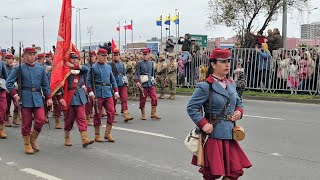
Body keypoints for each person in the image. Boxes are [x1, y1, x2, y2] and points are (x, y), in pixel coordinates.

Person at [187, 48, 251, 180]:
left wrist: (239, 111)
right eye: (223, 61)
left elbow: (239, 102)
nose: (227, 64)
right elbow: (192, 107)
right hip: (214, 134)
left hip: (229, 133)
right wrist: (203, 124)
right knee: (212, 173)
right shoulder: (205, 86)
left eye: (228, 61)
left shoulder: (231, 83)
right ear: (213, 64)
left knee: (235, 171)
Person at [6, 47, 53, 154]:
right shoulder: (19, 68)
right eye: (30, 54)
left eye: (34, 54)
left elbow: (45, 85)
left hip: (37, 97)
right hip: (24, 98)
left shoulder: (40, 69)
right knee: (26, 122)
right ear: (24, 56)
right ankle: (27, 144)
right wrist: (15, 95)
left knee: (41, 119)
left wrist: (49, 97)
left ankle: (32, 139)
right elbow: (9, 83)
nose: (32, 56)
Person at [56, 52, 94, 147]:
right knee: (69, 119)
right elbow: (59, 84)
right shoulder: (64, 70)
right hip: (70, 96)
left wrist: (74, 65)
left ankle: (84, 138)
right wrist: (60, 98)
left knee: (81, 117)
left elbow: (86, 69)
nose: (75, 60)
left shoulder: (79, 69)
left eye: (76, 59)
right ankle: (67, 137)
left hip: (80, 96)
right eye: (73, 59)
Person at [87, 48, 119, 142]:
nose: (105, 58)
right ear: (98, 56)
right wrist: (91, 92)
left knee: (112, 112)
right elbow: (88, 81)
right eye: (103, 56)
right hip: (98, 93)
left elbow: (112, 79)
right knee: (98, 114)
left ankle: (107, 133)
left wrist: (116, 91)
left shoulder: (108, 67)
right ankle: (97, 134)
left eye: (106, 56)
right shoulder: (93, 67)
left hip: (108, 92)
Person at [134, 49, 161, 120]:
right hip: (143, 83)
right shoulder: (139, 63)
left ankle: (153, 113)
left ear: (149, 55)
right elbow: (136, 73)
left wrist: (154, 79)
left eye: (146, 54)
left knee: (154, 98)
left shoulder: (151, 63)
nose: (145, 56)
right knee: (143, 99)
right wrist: (137, 81)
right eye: (143, 54)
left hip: (150, 83)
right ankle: (143, 114)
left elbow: (152, 73)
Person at [108, 48, 133, 122]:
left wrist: (126, 82)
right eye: (114, 55)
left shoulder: (122, 64)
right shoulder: (110, 64)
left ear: (119, 56)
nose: (116, 57)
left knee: (124, 98)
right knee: (114, 100)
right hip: (114, 83)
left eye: (117, 55)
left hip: (122, 83)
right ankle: (112, 114)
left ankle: (126, 114)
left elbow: (124, 74)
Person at [4, 54, 20, 127]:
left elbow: (18, 79)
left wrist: (17, 86)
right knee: (7, 105)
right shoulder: (3, 67)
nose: (8, 60)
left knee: (17, 103)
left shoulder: (16, 68)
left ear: (13, 59)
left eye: (10, 58)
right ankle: (6, 120)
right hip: (5, 89)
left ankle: (15, 118)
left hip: (14, 89)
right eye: (6, 58)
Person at [0, 54, 8, 139]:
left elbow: (6, 77)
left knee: (3, 109)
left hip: (1, 90)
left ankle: (1, 128)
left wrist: (8, 87)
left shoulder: (1, 63)